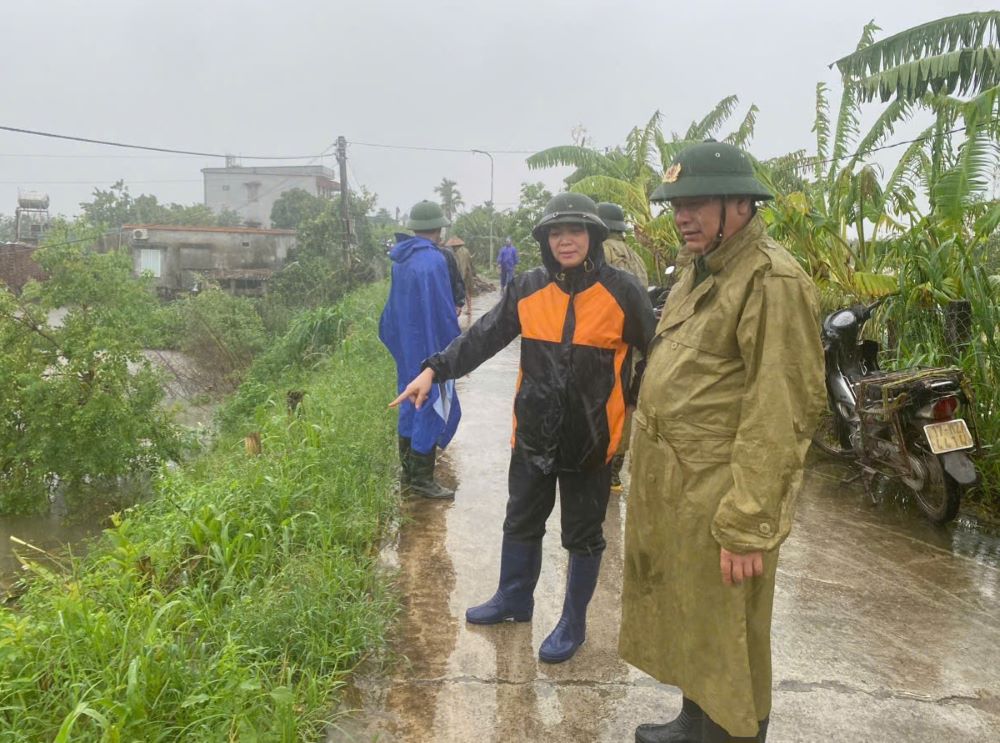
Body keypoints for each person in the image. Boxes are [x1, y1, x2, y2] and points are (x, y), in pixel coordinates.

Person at [620, 141, 826, 743]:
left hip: (723, 496)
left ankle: (731, 735)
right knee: (696, 622)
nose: (682, 215)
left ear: (741, 203)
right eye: (676, 203)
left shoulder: (771, 280)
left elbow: (780, 411)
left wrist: (748, 523)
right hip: (683, 488)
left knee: (731, 637)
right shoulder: (702, 268)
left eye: (697, 202)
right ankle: (693, 721)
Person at [392, 193, 655, 663]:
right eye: (556, 232)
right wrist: (435, 369)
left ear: (593, 236)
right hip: (533, 434)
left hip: (591, 441)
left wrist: (635, 396)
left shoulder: (623, 291)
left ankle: (573, 622)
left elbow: (656, 351)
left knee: (583, 535)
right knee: (521, 520)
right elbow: (483, 335)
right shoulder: (530, 287)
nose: (566, 240)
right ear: (544, 240)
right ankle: (514, 598)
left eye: (575, 231)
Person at [379, 200, 463, 500]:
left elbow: (392, 309)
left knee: (408, 401)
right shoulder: (434, 260)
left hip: (406, 344)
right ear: (439, 229)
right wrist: (452, 347)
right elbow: (441, 309)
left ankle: (407, 472)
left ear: (414, 227)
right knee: (428, 403)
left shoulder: (401, 258)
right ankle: (422, 480)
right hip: (428, 344)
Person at [596, 201, 649, 493]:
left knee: (600, 403)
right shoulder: (637, 259)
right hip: (634, 345)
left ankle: (598, 465)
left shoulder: (598, 253)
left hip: (605, 342)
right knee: (626, 404)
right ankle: (615, 473)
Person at [446, 236, 475, 322]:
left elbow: (462, 266)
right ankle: (469, 309)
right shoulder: (465, 250)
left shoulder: (460, 252)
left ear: (455, 246)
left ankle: (468, 309)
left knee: (464, 292)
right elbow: (470, 263)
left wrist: (460, 279)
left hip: (463, 275)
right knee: (468, 292)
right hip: (468, 274)